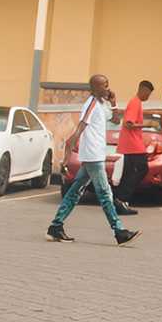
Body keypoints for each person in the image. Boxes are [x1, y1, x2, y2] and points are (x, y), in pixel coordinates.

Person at [47, 74, 141, 246]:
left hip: (96, 154)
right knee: (105, 193)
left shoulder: (102, 104)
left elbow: (115, 120)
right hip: (92, 156)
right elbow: (78, 130)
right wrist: (66, 158)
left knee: (75, 192)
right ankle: (119, 231)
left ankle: (56, 226)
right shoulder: (90, 105)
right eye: (104, 85)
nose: (107, 88)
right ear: (94, 88)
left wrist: (113, 103)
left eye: (108, 84)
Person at [113, 80, 153, 214]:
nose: (148, 96)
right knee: (142, 168)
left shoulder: (136, 103)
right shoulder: (135, 102)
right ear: (143, 89)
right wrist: (146, 125)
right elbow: (128, 124)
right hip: (132, 144)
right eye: (148, 93)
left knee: (129, 172)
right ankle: (121, 198)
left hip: (130, 143)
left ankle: (120, 201)